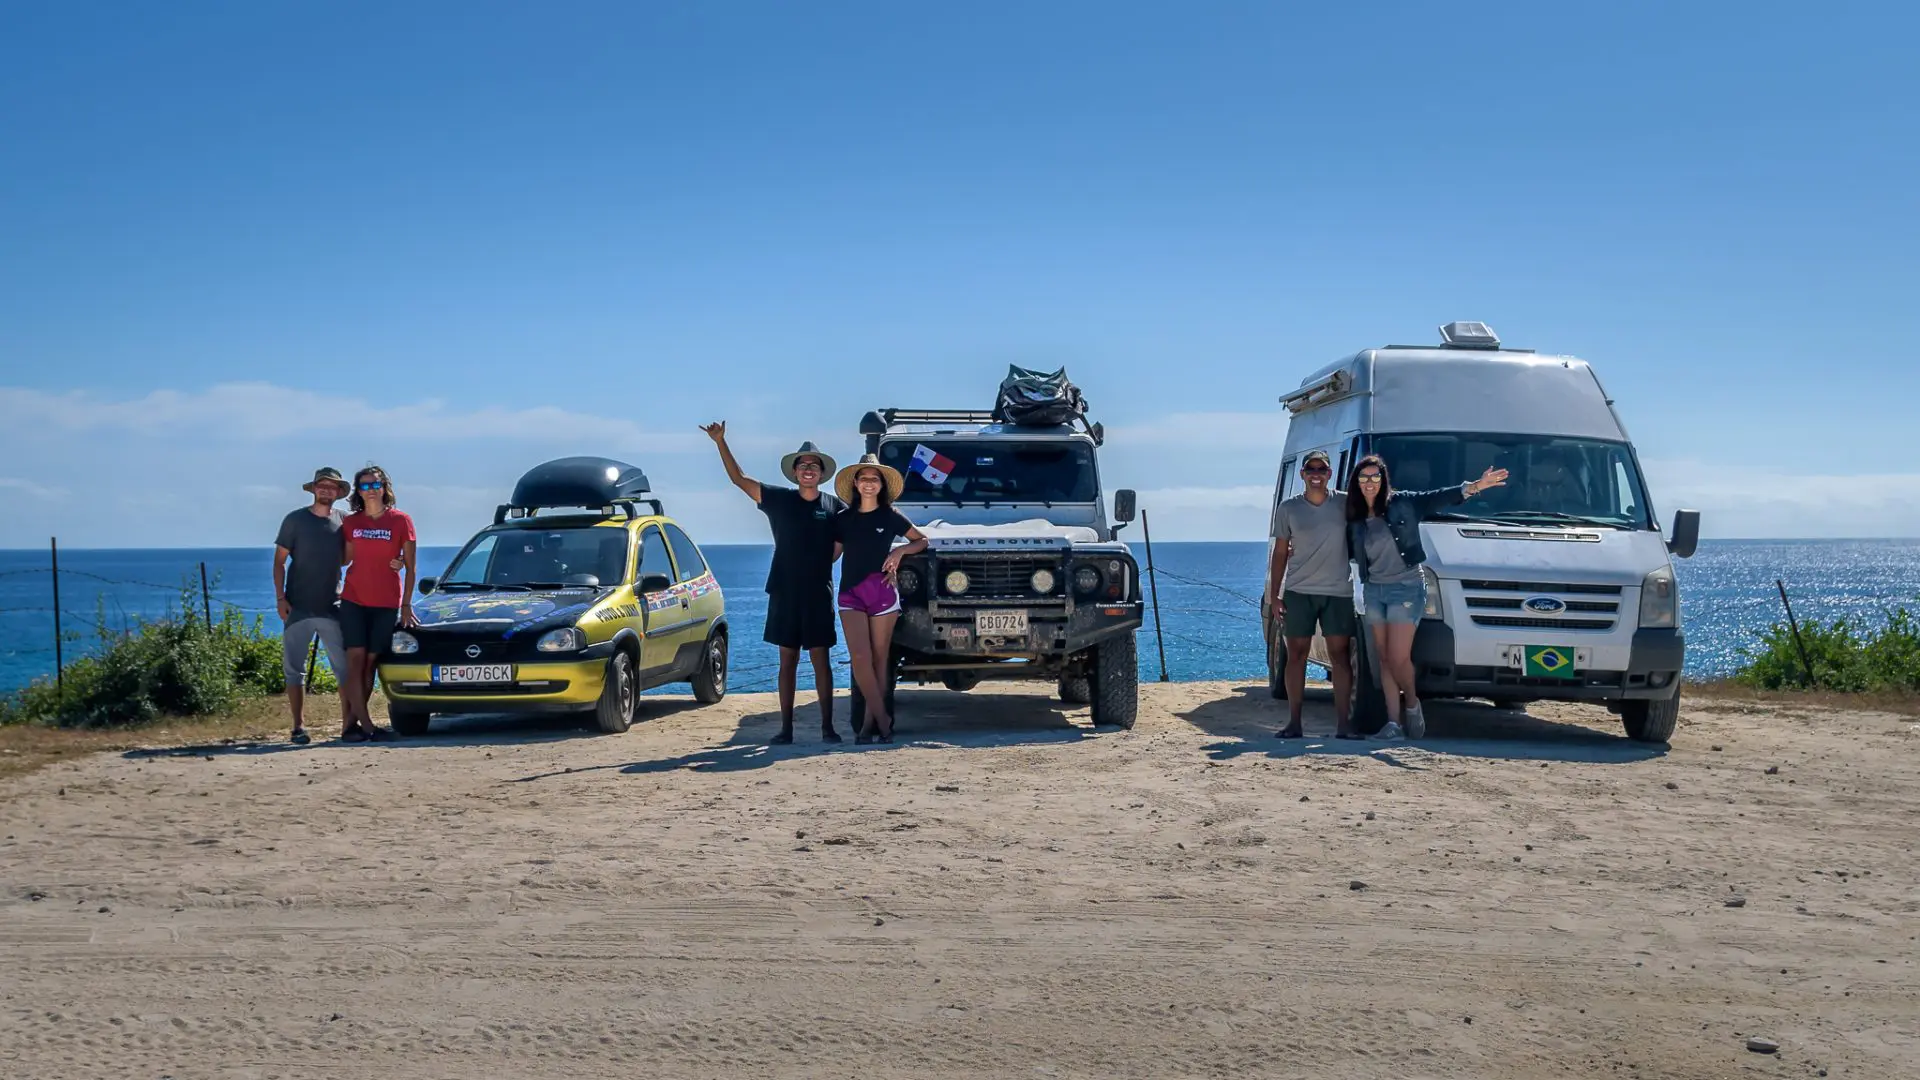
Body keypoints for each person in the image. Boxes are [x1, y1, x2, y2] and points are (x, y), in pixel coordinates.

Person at [702, 422, 845, 745]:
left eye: (814, 465)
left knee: (821, 660)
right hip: (784, 590)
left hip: (818, 594)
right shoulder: (779, 499)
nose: (808, 469)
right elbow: (739, 479)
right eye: (802, 465)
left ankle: (828, 728)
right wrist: (720, 441)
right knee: (787, 661)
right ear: (794, 472)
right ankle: (786, 729)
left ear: (822, 473)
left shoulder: (835, 507)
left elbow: (840, 546)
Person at [1346, 454, 1507, 740]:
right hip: (1374, 590)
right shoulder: (1354, 517)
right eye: (1364, 477)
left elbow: (1439, 497)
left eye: (1375, 477)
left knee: (1398, 657)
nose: (1370, 483)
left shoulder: (1403, 503)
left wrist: (1475, 486)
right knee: (1383, 658)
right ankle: (1393, 724)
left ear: (1383, 480)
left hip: (1406, 587)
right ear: (1356, 482)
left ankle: (1411, 703)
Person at [831, 454, 926, 744]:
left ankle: (867, 727)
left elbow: (921, 540)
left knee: (880, 660)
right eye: (864, 478)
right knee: (860, 658)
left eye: (874, 479)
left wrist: (899, 552)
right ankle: (883, 721)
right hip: (850, 593)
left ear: (881, 485)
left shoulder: (891, 516)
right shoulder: (842, 519)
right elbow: (832, 555)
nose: (869, 483)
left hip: (883, 592)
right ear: (856, 483)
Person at [1268, 450, 1357, 739]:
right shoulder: (1288, 508)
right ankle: (1294, 723)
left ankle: (1344, 725)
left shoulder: (1345, 503)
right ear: (1302, 474)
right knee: (1296, 656)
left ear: (1330, 474)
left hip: (1337, 592)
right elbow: (1280, 553)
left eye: (1322, 469)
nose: (1316, 474)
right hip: (1299, 591)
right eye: (1311, 469)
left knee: (1340, 657)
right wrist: (1275, 595)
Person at [339, 464, 417, 743]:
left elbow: (411, 568)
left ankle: (351, 726)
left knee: (370, 663)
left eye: (375, 485)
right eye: (365, 485)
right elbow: (345, 559)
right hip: (353, 599)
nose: (371, 490)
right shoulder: (351, 523)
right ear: (358, 491)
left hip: (386, 602)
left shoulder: (401, 521)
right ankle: (368, 726)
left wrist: (406, 605)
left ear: (384, 488)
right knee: (355, 661)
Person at [273, 467, 350, 745]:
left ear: (338, 492)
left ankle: (348, 725)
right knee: (294, 669)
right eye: (322, 485)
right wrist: (281, 599)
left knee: (344, 669)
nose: (326, 490)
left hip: (332, 606)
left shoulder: (345, 521)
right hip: (298, 606)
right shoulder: (294, 520)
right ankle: (298, 727)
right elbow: (279, 561)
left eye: (332, 486)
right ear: (314, 488)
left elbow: (347, 559)